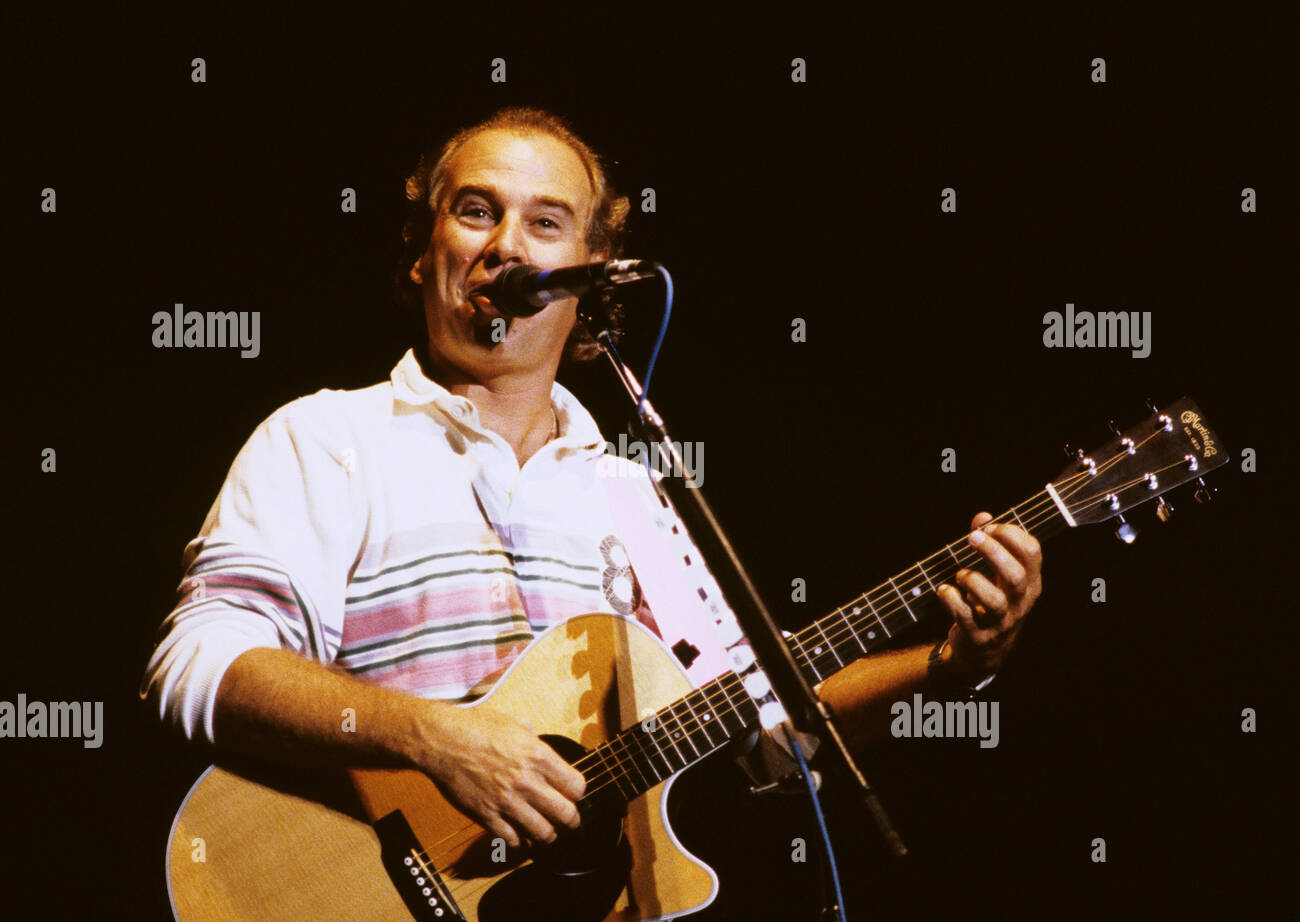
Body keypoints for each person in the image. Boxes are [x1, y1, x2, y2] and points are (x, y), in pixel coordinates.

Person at [143, 106, 1043, 870]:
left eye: (544, 223)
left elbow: (766, 736)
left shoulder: (638, 495)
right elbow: (196, 669)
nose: (505, 246)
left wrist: (949, 666)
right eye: (474, 212)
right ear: (425, 252)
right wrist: (434, 737)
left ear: (588, 273)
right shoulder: (327, 438)